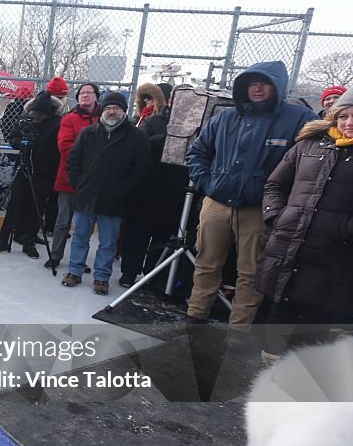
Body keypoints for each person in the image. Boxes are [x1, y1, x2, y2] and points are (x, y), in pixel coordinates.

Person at [184, 61, 317, 327]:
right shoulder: (225, 117)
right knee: (206, 264)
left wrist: (278, 204)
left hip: (259, 211)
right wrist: (210, 184)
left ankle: (238, 332)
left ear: (277, 87)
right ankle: (194, 319)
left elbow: (310, 166)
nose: (256, 88)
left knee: (251, 274)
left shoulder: (299, 120)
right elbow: (196, 154)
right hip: (216, 204)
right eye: (251, 83)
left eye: (264, 83)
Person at [254, 90, 353, 351]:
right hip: (289, 250)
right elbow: (275, 184)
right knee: (273, 332)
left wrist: (345, 230)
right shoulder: (308, 145)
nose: (348, 122)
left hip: (334, 259)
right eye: (343, 115)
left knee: (311, 338)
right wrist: (277, 216)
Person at [62, 91, 150, 295]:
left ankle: (101, 277)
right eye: (108, 108)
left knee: (108, 242)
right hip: (87, 196)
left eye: (116, 108)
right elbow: (73, 161)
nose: (112, 112)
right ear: (102, 110)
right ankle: (74, 271)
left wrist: (124, 190)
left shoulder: (137, 137)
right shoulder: (88, 133)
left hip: (114, 199)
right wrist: (79, 184)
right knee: (80, 237)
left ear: (124, 111)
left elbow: (142, 168)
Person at [0, 90, 62, 258]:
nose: (36, 117)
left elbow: (57, 149)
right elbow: (12, 138)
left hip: (43, 173)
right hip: (23, 168)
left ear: (48, 114)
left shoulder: (57, 123)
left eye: (40, 115)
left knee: (35, 209)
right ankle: (3, 239)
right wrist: (22, 143)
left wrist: (38, 142)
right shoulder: (25, 118)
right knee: (14, 205)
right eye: (34, 114)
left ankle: (29, 241)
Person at [119, 83, 172, 287]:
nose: (149, 103)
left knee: (162, 235)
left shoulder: (186, 124)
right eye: (147, 99)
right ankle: (129, 272)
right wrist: (164, 140)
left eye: (153, 98)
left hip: (171, 187)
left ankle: (153, 274)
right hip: (146, 186)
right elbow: (139, 148)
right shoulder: (149, 122)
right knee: (137, 233)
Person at [46, 82, 100, 270]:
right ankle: (55, 255)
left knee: (83, 224)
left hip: (93, 181)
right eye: (82, 92)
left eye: (89, 92)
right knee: (63, 221)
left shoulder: (104, 118)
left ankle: (79, 260)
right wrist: (91, 158)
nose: (85, 95)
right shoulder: (69, 119)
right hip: (69, 177)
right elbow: (65, 147)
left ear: (96, 96)